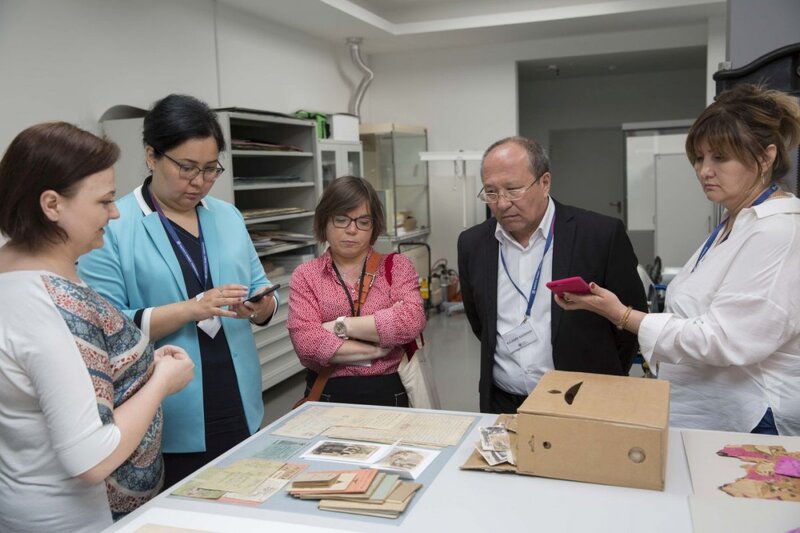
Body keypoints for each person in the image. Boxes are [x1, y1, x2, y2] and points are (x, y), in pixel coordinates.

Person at [555, 84, 800, 436]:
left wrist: (621, 315)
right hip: (711, 410)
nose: (704, 171)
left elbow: (723, 338)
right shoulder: (735, 221)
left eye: (720, 158)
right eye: (699, 158)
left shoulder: (777, 231)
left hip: (751, 418)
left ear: (766, 157)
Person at [0, 122, 194, 532]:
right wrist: (161, 381)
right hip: (81, 519)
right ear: (52, 205)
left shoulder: (21, 275)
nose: (115, 212)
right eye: (104, 201)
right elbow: (91, 458)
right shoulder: (47, 305)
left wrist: (136, 367)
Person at [79, 94, 278, 487]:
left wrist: (259, 306)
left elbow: (261, 290)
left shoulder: (227, 216)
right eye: (186, 167)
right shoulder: (114, 226)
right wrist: (192, 309)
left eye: (210, 169)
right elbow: (107, 329)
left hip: (238, 393)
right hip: (168, 404)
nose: (199, 181)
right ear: (152, 156)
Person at [457, 136, 647, 414]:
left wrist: (605, 377)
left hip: (583, 400)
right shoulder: (473, 244)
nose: (502, 203)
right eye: (491, 192)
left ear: (545, 182)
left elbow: (630, 320)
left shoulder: (599, 235)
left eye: (513, 190)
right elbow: (480, 321)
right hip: (502, 401)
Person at [287, 176, 426, 407]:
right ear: (324, 221)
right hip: (326, 392)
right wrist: (378, 349)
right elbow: (307, 344)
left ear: (374, 226)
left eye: (363, 221)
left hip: (388, 392)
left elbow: (411, 321)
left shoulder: (396, 267)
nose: (352, 230)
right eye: (341, 220)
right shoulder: (306, 275)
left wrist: (339, 326)